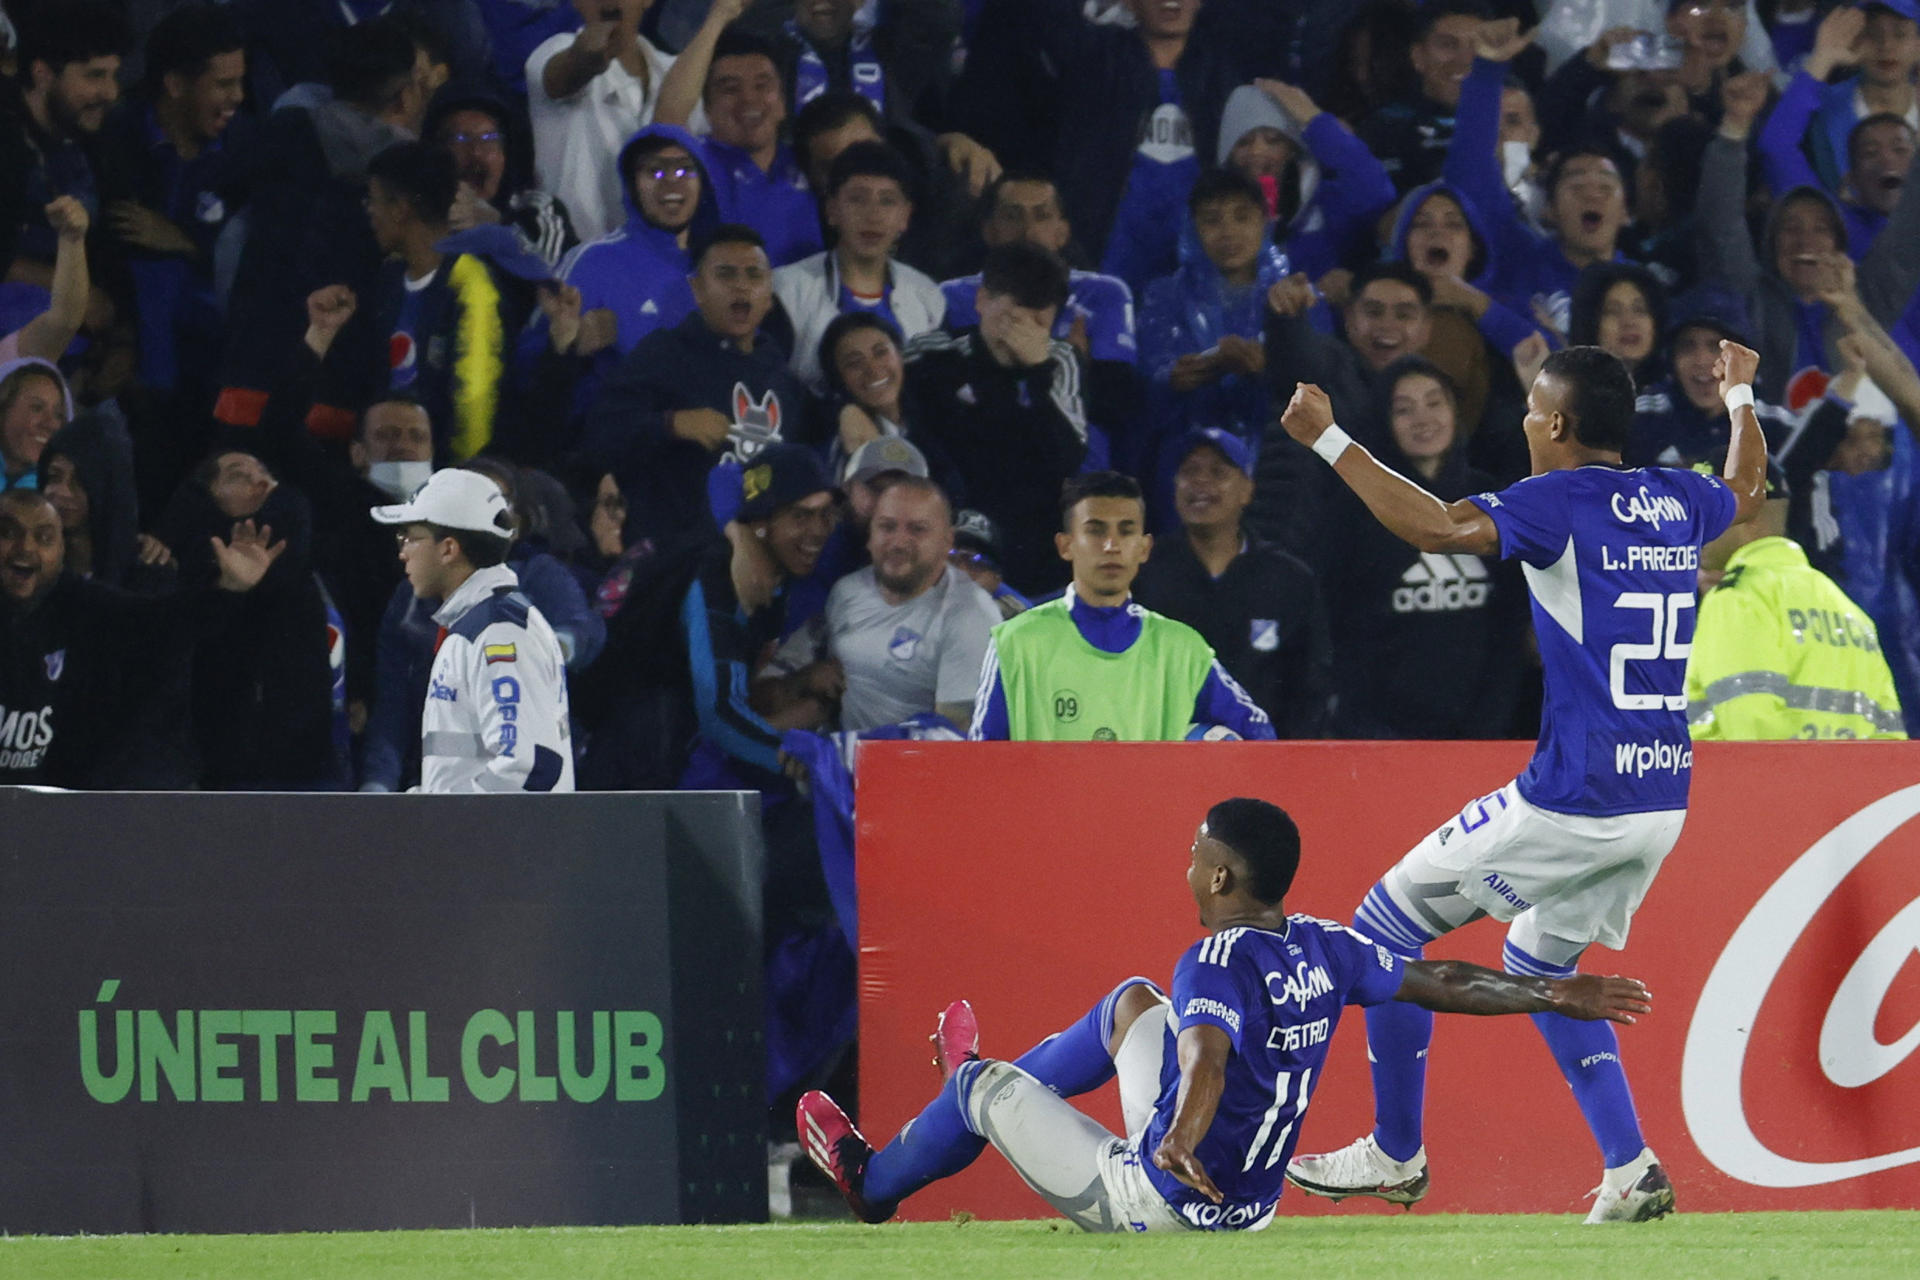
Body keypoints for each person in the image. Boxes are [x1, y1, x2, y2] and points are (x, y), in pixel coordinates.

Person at [1275, 341, 1768, 1221]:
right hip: (1660, 795)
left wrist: (1329, 439)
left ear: (1561, 426)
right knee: (1540, 958)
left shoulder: (1558, 500)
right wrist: (1739, 396)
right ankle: (1630, 1168)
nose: (1526, 425)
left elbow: (1436, 528)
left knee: (1382, 930)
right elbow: (1748, 492)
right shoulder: (1676, 496)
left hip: (1575, 797)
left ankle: (1394, 1152)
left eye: (1535, 412)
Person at [797, 796, 1656, 1231]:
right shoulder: (1327, 944)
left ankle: (876, 1181)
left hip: (1164, 1196)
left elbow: (1206, 1055)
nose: (1187, 867)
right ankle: (986, 1102)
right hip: (1253, 1200)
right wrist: (1549, 988)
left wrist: (1174, 1143)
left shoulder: (1211, 959)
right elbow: (1446, 983)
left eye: (1195, 856)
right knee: (1133, 1004)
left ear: (1219, 879)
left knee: (983, 1083)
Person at [0, 488, 283, 789]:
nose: (25, 549)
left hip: (58, 809)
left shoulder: (84, 605)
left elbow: (164, 623)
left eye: (44, 538)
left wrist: (228, 590)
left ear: (61, 551)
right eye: (7, 533)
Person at [969, 471, 1275, 742]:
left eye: (1126, 531)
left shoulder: (1182, 650)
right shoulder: (1015, 643)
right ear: (1066, 545)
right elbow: (982, 762)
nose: (1111, 545)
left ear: (1144, 548)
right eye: (1096, 530)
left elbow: (1258, 732)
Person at [583, 223, 816, 545]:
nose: (741, 287)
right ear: (697, 290)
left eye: (754, 275)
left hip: (763, 558)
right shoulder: (664, 353)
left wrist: (844, 411)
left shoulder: (780, 374)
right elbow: (601, 434)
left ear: (769, 296)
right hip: (678, 557)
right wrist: (672, 424)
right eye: (726, 274)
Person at [370, 467, 574, 793]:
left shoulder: (499, 634)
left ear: (449, 549)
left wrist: (449, 829)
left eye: (411, 537)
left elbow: (528, 769)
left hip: (499, 844)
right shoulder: (478, 624)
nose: (402, 552)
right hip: (480, 839)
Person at [903, 242, 1089, 595]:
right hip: (944, 535)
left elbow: (1068, 460)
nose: (1017, 334)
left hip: (1031, 550)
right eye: (1009, 317)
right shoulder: (931, 355)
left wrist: (1036, 375)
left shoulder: (1060, 361)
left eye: (1037, 323)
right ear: (981, 300)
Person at [1131, 429, 1332, 738]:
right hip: (1167, 763)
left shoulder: (1288, 579)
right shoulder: (1143, 572)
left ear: (1247, 490)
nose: (1200, 481)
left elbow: (1309, 689)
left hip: (1265, 767)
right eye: (1189, 471)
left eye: (1218, 471)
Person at [1685, 467, 1906, 740]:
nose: (1693, 529)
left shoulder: (1740, 599)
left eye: (1707, 514)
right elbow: (1890, 740)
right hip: (1849, 782)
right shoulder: (1849, 610)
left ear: (1745, 516)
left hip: (1746, 781)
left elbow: (1751, 733)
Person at [772, 476, 1000, 733]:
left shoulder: (971, 615)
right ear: (870, 536)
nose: (899, 542)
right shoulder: (847, 592)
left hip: (909, 771)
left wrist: (846, 753)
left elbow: (957, 738)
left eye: (917, 529)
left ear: (947, 541)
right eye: (887, 527)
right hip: (840, 766)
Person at [772, 141, 946, 393]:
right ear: (831, 209)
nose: (873, 215)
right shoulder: (788, 291)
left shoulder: (927, 296)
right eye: (857, 199)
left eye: (887, 201)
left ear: (905, 216)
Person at [655, 17, 825, 268]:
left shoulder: (810, 162)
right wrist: (719, 16)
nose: (748, 99)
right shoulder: (695, 164)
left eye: (762, 85)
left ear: (782, 103)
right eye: (730, 89)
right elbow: (667, 122)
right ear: (707, 107)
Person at [525, 0, 680, 245]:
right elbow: (563, 73)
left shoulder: (674, 70)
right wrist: (584, 59)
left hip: (654, 263)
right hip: (570, 266)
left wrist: (720, 16)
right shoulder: (551, 51)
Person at [425, 82, 578, 269]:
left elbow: (557, 281)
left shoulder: (538, 211)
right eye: (460, 139)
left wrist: (495, 227)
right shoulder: (418, 210)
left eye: (489, 138)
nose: (476, 152)